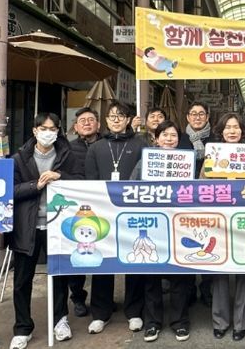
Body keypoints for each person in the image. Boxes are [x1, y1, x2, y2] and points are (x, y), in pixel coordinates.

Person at [9, 113, 82, 349]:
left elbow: (82, 181)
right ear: (34, 130)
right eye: (43, 128)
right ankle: (22, 328)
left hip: (57, 224)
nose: (48, 132)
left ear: (58, 131)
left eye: (52, 129)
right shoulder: (20, 158)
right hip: (27, 226)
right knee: (22, 280)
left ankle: (60, 320)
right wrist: (36, 185)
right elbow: (10, 190)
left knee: (58, 276)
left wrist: (61, 176)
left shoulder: (67, 155)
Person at [84, 101, 147, 335]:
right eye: (112, 116)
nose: (116, 119)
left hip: (133, 212)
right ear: (106, 120)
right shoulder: (96, 147)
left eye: (121, 116)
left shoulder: (141, 144)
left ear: (129, 119)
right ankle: (100, 313)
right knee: (102, 261)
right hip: (103, 212)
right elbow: (90, 181)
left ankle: (134, 311)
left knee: (135, 259)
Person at [130, 121, 195, 342]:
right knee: (151, 275)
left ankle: (180, 322)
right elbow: (130, 187)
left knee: (179, 274)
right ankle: (152, 323)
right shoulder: (144, 161)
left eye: (173, 135)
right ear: (156, 138)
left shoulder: (186, 161)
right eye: (164, 135)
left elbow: (196, 191)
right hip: (152, 224)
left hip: (179, 224)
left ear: (179, 139)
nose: (169, 139)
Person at [206, 112, 245, 341]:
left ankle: (241, 323)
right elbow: (201, 186)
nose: (232, 131)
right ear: (221, 131)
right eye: (227, 127)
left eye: (236, 127)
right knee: (219, 271)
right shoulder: (212, 154)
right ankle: (220, 321)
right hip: (219, 221)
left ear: (242, 131)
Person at [67, 107, 102, 318]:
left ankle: (102, 301)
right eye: (82, 120)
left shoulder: (107, 144)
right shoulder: (68, 148)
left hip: (103, 206)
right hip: (77, 208)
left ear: (99, 124)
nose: (87, 123)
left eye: (91, 119)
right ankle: (78, 298)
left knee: (103, 253)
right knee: (78, 253)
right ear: (76, 126)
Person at [184, 101, 213, 307]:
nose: (197, 117)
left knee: (210, 244)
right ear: (187, 117)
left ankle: (207, 289)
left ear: (207, 117)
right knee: (185, 244)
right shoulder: (179, 139)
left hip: (210, 200)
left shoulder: (216, 139)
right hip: (183, 200)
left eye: (201, 113)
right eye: (193, 114)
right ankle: (188, 290)